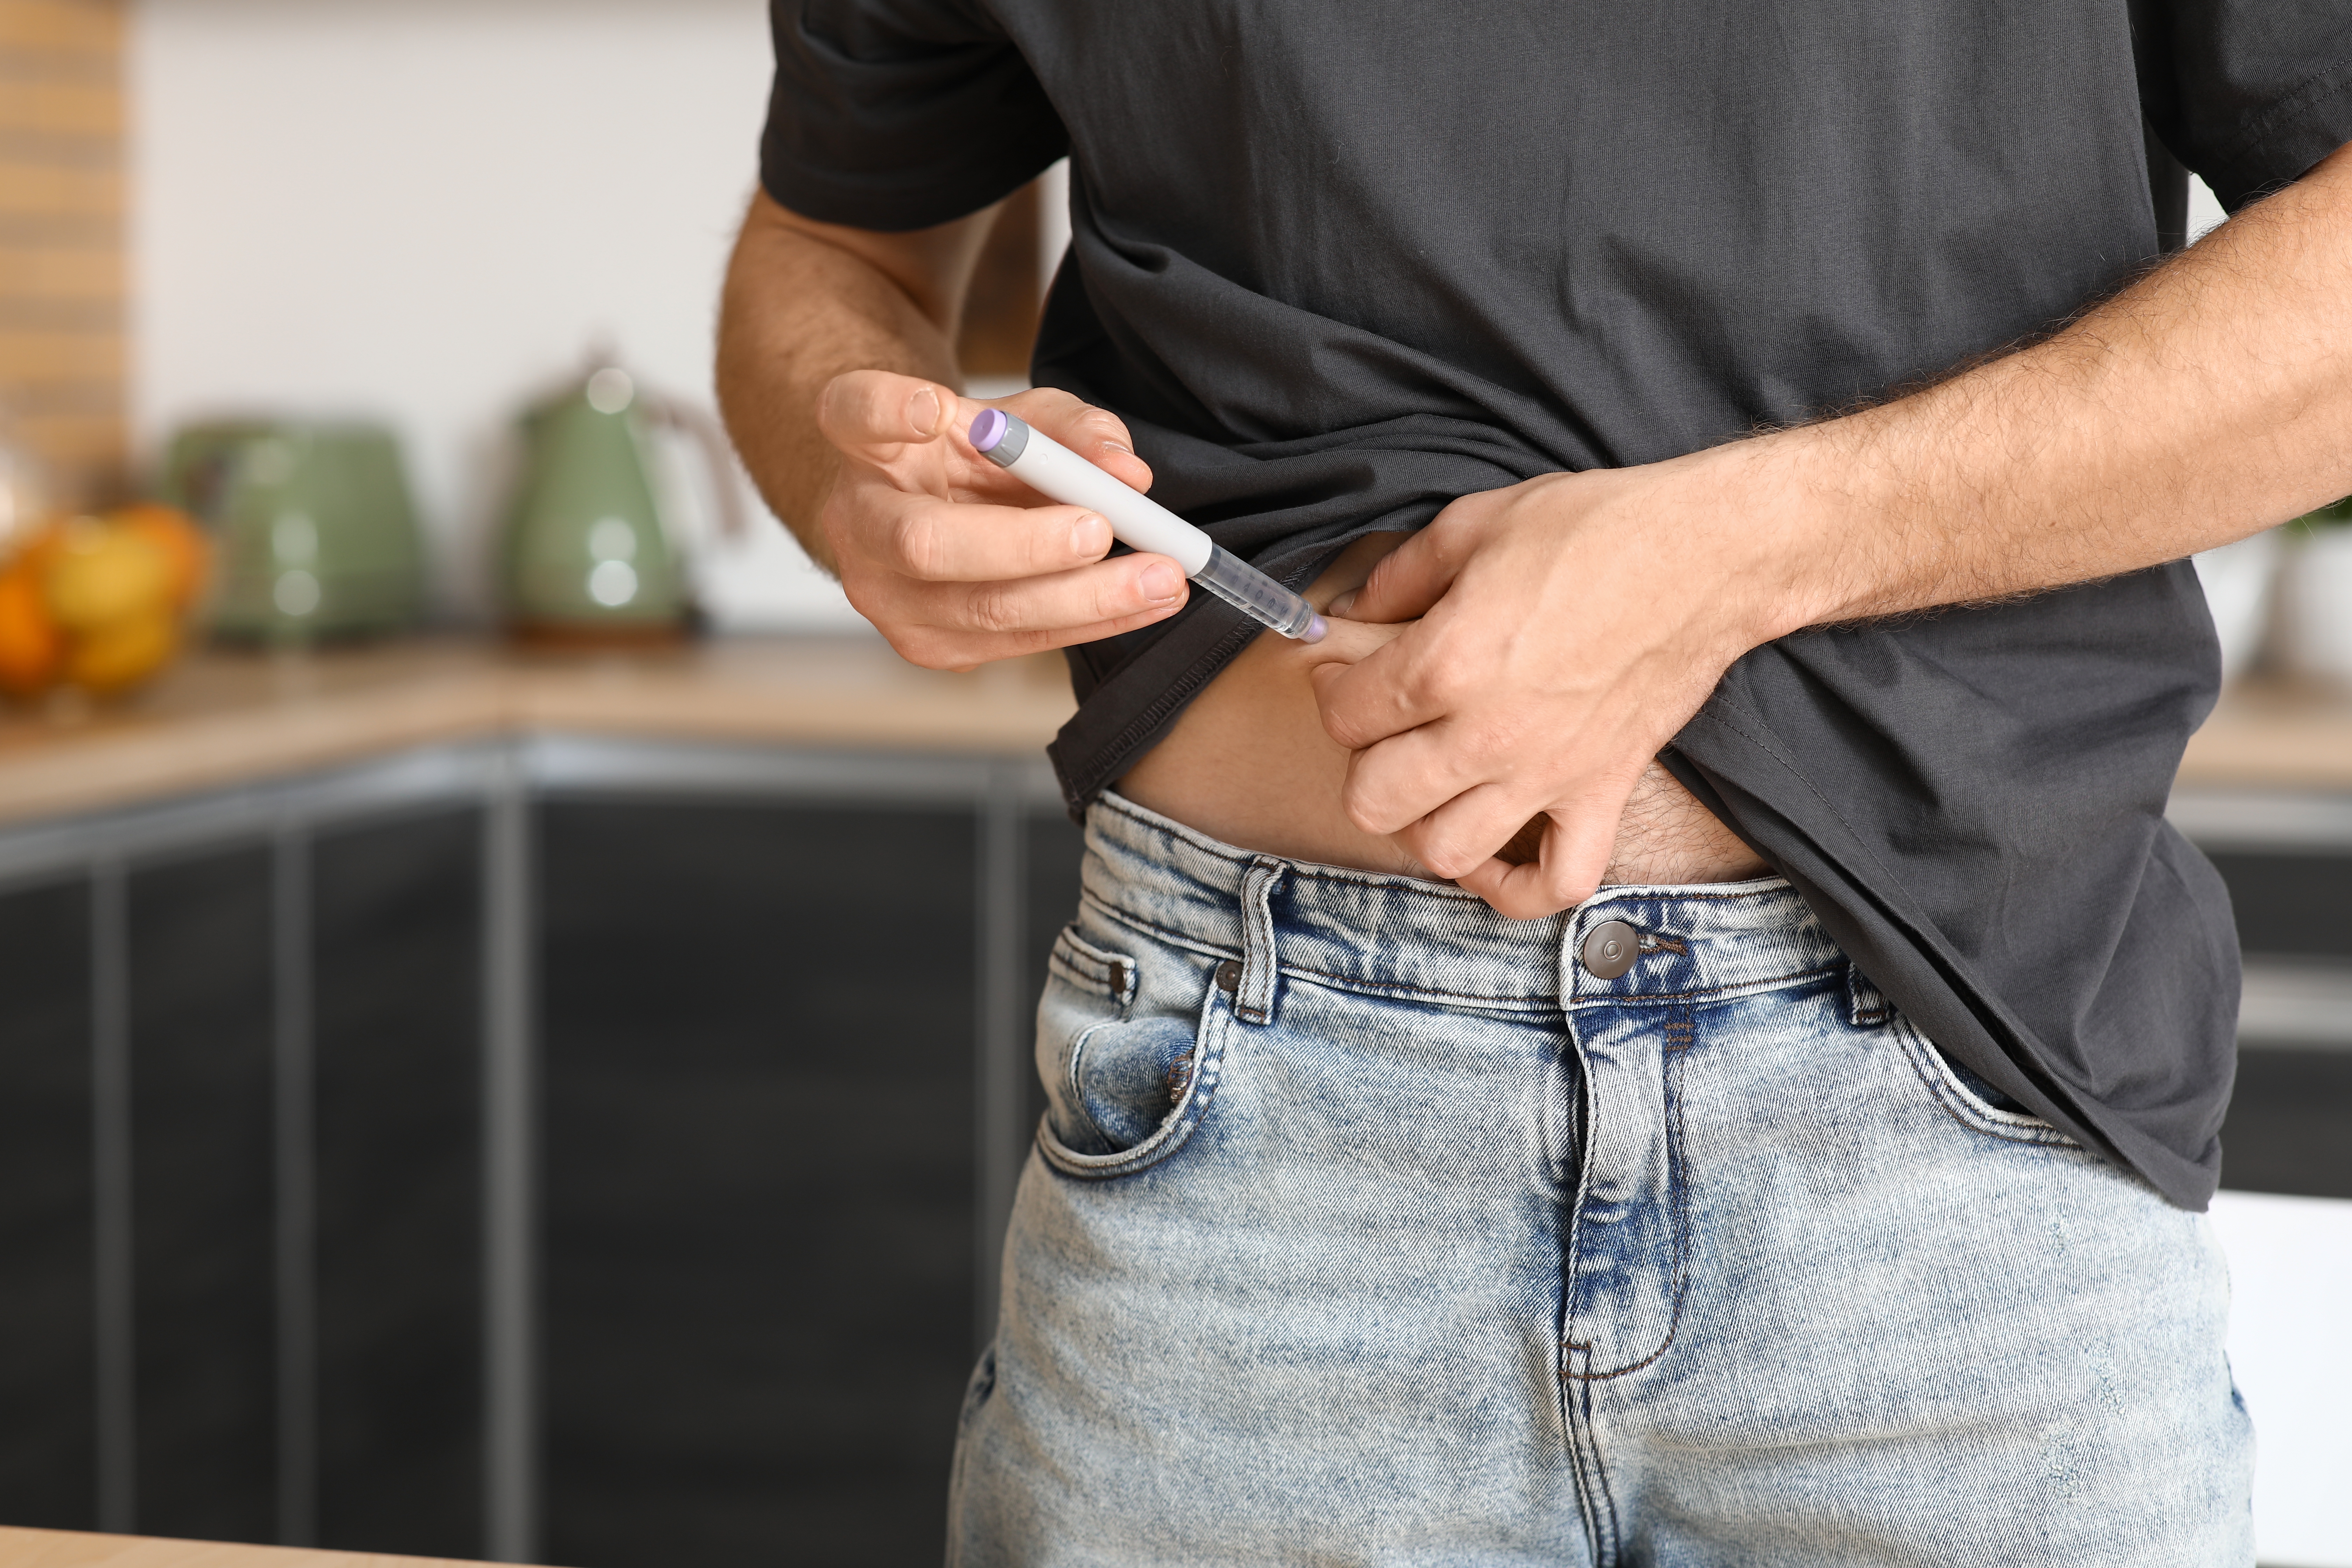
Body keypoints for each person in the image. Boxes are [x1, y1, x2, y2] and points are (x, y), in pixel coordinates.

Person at [718, 4, 2351, 1561]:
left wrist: (1737, 555)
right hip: (1249, 1145)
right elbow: (836, 248)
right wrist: (846, 465)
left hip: (1965, 1102)